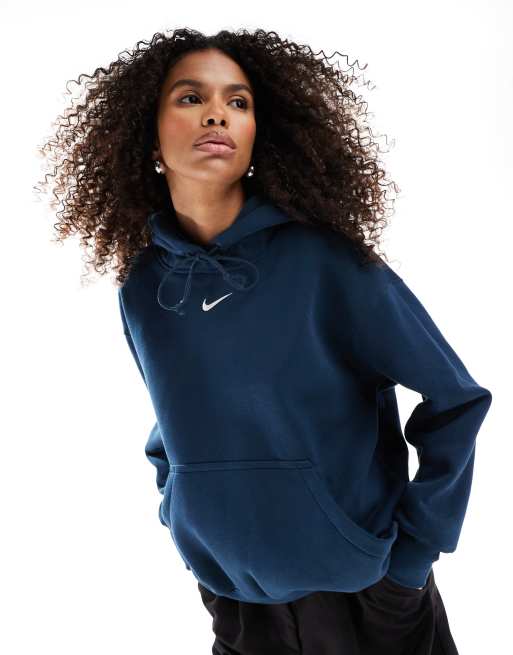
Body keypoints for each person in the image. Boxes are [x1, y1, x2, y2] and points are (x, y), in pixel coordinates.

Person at [37, 27, 492, 655]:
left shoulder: (326, 263)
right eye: (190, 97)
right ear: (148, 134)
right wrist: (184, 512)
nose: (217, 113)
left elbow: (456, 398)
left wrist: (413, 554)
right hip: (236, 603)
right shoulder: (143, 286)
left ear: (259, 134)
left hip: (368, 595)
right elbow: (175, 419)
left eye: (238, 101)